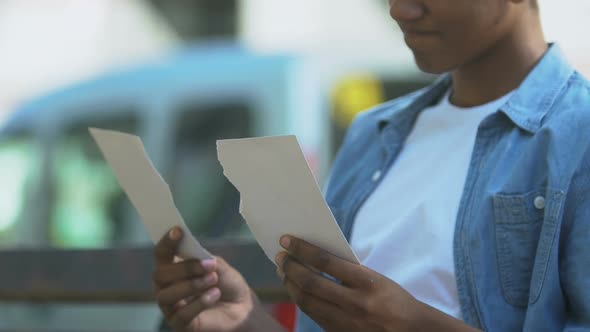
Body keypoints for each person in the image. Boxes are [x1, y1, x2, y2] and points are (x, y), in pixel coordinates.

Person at [153, 0, 590, 330]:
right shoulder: (373, 134)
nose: (400, 9)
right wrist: (245, 319)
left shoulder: (577, 135)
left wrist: (414, 325)